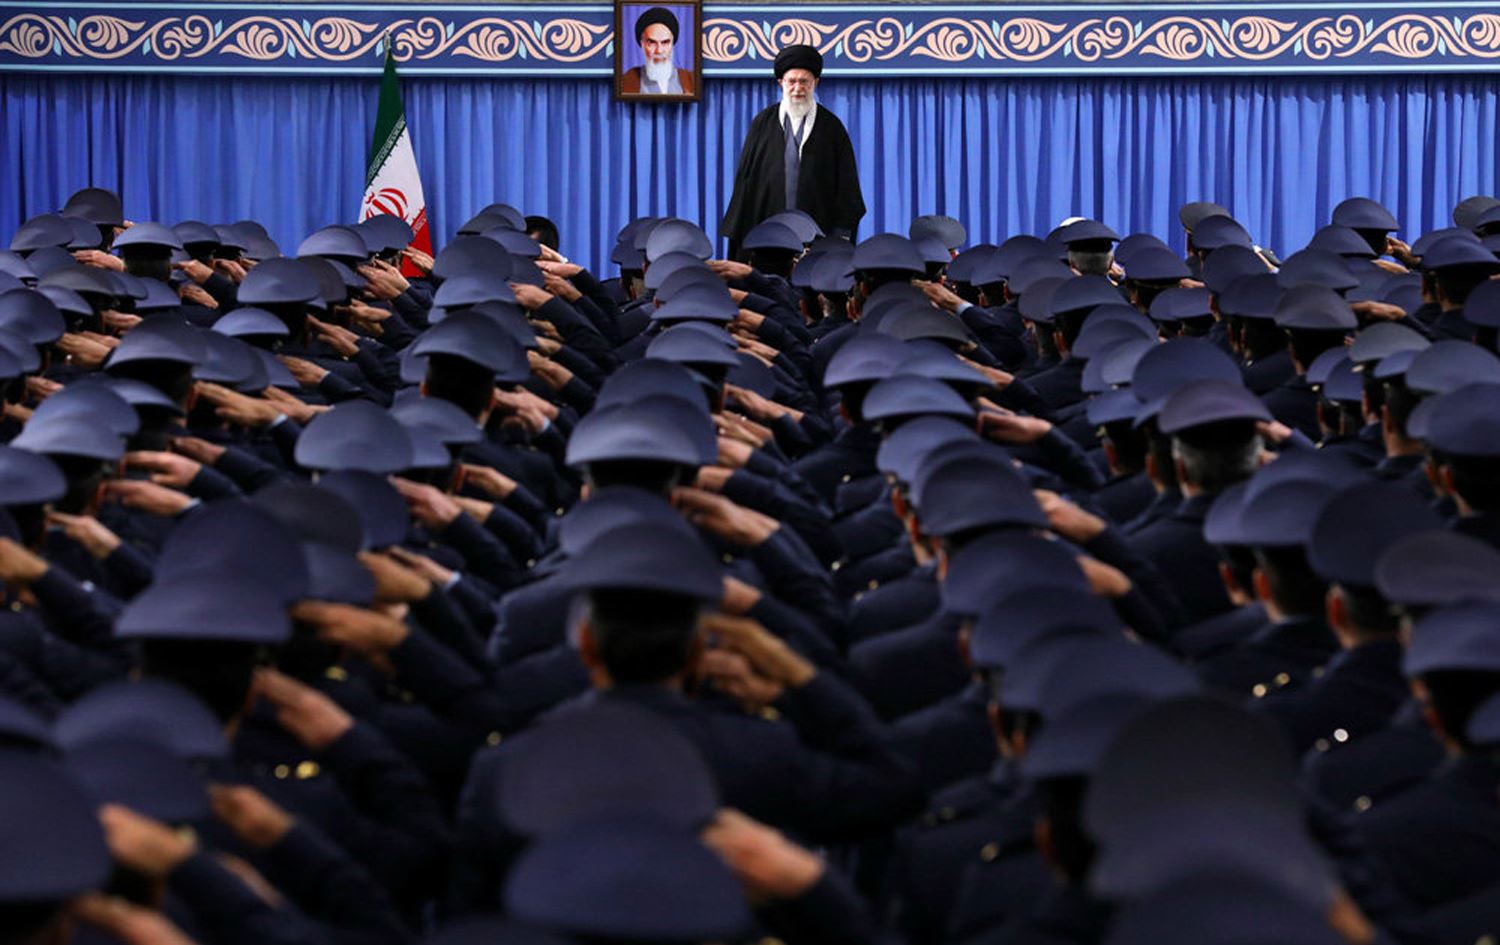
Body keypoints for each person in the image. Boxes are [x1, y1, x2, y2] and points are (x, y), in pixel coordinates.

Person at [721, 44, 865, 251]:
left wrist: (840, 237)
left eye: (804, 81)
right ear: (781, 82)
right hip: (768, 237)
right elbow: (745, 187)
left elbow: (847, 189)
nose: (798, 88)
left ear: (816, 82)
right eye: (792, 81)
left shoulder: (832, 128)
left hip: (818, 239)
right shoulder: (762, 124)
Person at [619, 7, 695, 96]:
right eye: (651, 43)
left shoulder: (691, 80)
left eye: (665, 42)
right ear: (642, 44)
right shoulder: (627, 81)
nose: (659, 51)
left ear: (672, 43)